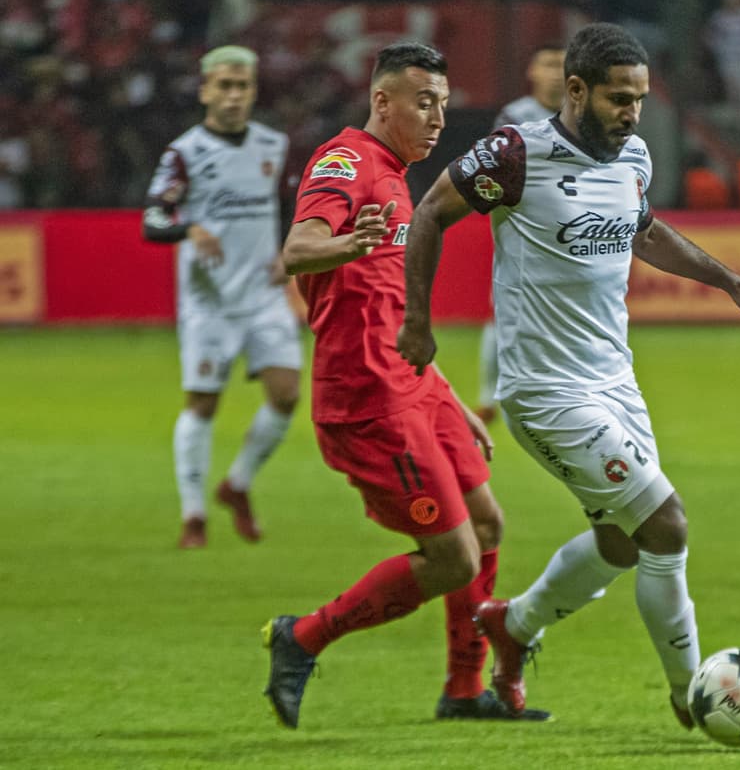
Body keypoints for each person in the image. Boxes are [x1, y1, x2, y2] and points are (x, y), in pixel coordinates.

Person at [397, 23, 740, 726]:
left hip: (615, 382)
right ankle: (691, 693)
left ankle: (512, 625)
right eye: (618, 98)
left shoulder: (633, 156)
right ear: (576, 90)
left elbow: (644, 230)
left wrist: (730, 281)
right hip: (545, 391)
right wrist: (417, 322)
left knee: (620, 544)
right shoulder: (516, 155)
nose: (632, 113)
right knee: (665, 526)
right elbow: (429, 214)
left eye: (639, 99)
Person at [261, 42, 550, 728]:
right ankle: (303, 636)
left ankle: (463, 689)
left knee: (488, 522)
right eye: (424, 103)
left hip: (412, 384)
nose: (437, 119)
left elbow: (387, 306)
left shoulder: (395, 175)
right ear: (382, 101)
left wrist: (442, 391)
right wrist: (347, 244)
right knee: (453, 559)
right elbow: (297, 249)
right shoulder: (345, 161)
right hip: (368, 402)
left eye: (443, 105)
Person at [142, 45, 300, 550]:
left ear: (253, 91)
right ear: (205, 90)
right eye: (225, 86)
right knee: (203, 405)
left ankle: (237, 484)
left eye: (243, 86)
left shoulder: (274, 146)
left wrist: (290, 251)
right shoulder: (184, 153)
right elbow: (153, 218)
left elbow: (297, 207)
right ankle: (193, 516)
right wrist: (188, 229)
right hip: (209, 302)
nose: (234, 96)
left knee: (287, 394)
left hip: (264, 294)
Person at [474, 44, 566, 424]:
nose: (556, 73)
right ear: (532, 71)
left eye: (562, 65)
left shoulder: (583, 116)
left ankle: (560, 390)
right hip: (526, 227)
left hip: (570, 231)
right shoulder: (515, 116)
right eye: (549, 64)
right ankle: (488, 397)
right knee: (504, 313)